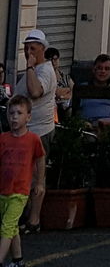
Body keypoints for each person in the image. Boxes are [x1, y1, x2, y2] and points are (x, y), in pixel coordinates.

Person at [14, 30, 56, 233]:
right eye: (26, 48)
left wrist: (30, 67)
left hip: (39, 132)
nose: (28, 52)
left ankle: (34, 219)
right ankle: (24, 216)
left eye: (33, 48)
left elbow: (35, 92)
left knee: (37, 176)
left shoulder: (44, 71)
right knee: (23, 175)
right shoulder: (34, 70)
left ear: (43, 50)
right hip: (25, 131)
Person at [0, 95, 44, 267]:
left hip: (20, 191)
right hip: (4, 189)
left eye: (19, 113)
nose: (14, 117)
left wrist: (39, 182)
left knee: (6, 226)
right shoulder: (3, 139)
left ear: (28, 117)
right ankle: (18, 260)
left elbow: (40, 159)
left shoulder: (33, 139)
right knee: (11, 227)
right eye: (11, 113)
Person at [77, 55, 110, 127]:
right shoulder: (82, 88)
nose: (103, 71)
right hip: (89, 127)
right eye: (99, 68)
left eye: (107, 69)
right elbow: (71, 111)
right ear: (94, 70)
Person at [44, 49, 73, 120]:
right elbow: (56, 92)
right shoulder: (46, 77)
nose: (53, 62)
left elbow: (73, 90)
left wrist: (63, 94)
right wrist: (66, 91)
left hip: (67, 105)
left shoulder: (65, 77)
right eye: (50, 60)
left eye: (55, 59)